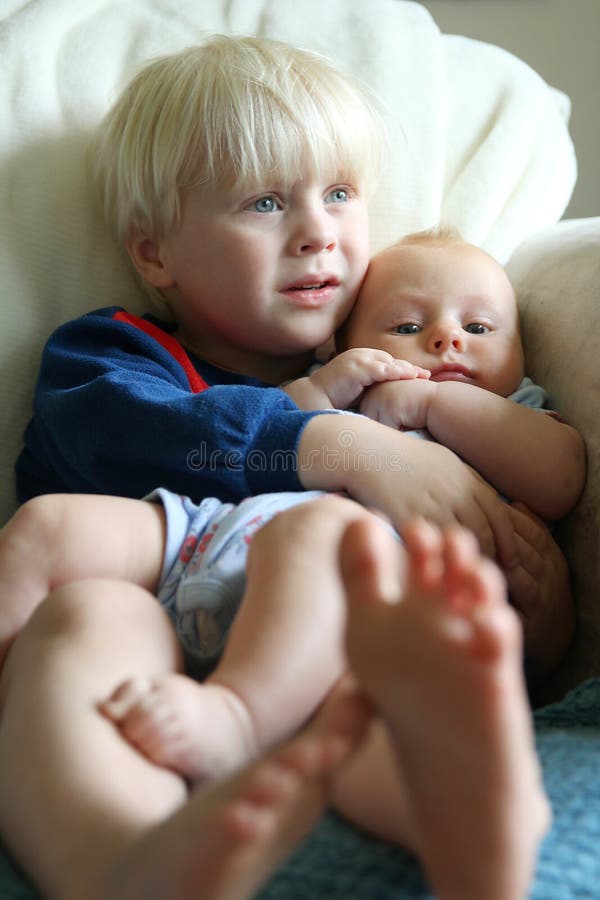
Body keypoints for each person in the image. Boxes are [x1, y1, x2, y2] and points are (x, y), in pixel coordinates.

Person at [0, 35, 562, 900]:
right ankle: (118, 861)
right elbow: (129, 437)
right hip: (151, 634)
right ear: (154, 254)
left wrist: (534, 588)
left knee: (384, 681)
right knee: (81, 621)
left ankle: (462, 814)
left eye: (339, 194)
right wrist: (331, 438)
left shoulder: (401, 363)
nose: (317, 233)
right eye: (265, 202)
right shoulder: (115, 353)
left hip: (323, 673)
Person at [286, 226, 586, 688]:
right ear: (342, 348)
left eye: (478, 328)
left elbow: (561, 480)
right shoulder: (343, 390)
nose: (448, 337)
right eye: (407, 327)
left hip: (464, 630)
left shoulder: (513, 410)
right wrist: (320, 389)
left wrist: (431, 402)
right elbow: (273, 439)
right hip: (335, 600)